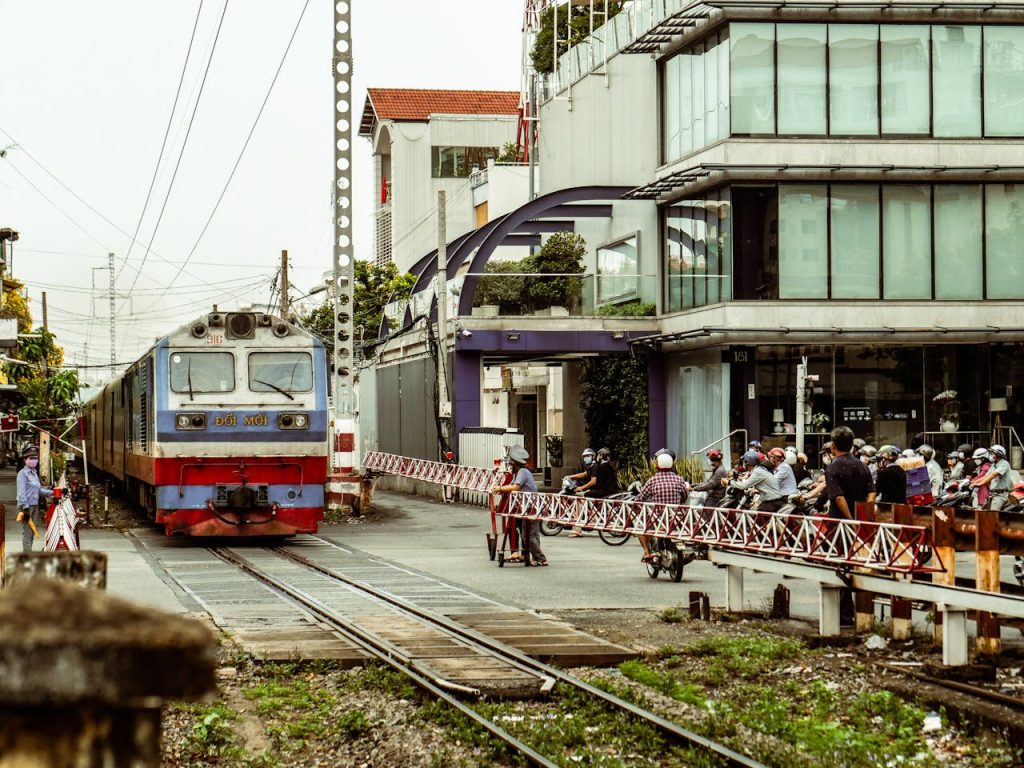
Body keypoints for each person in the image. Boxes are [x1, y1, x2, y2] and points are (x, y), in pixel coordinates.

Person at [491, 445, 547, 565]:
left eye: (511, 465)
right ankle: (533, 558)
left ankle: (541, 559)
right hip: (527, 508)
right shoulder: (519, 474)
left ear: (516, 464)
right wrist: (501, 488)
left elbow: (515, 488)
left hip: (532, 507)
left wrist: (500, 488)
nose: (510, 467)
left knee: (530, 537)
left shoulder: (523, 472)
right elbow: (511, 485)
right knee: (528, 535)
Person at [636, 449, 689, 563]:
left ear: (657, 465)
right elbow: (685, 496)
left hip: (658, 517)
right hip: (677, 516)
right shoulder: (679, 479)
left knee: (639, 528)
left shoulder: (653, 480)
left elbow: (641, 497)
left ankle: (647, 552)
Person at [825, 426, 876, 520]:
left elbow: (838, 498)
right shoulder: (862, 465)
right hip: (860, 518)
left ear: (833, 445)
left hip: (840, 522)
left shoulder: (832, 467)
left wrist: (851, 521)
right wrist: (866, 515)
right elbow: (872, 493)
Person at [16, 445, 53, 553]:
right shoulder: (22, 474)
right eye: (31, 458)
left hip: (34, 506)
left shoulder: (34, 474)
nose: (34, 460)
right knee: (27, 532)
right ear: (25, 460)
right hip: (26, 507)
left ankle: (29, 554)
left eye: (35, 458)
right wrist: (25, 508)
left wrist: (53, 493)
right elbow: (21, 492)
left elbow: (39, 490)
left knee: (32, 531)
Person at [563, 448, 596, 537]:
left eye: (588, 456)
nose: (586, 458)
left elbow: (593, 482)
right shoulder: (591, 467)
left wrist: (581, 487)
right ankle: (592, 519)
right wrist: (570, 476)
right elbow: (584, 474)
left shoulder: (595, 466)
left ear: (593, 456)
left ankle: (578, 530)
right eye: (585, 457)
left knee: (578, 502)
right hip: (592, 491)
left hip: (594, 491)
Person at [971, 444, 1013, 511]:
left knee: (992, 515)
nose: (990, 455)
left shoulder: (1004, 464)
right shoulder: (993, 465)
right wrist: (974, 483)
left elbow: (993, 475)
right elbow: (986, 476)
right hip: (992, 494)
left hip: (1001, 495)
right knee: (984, 512)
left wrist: (980, 484)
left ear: (998, 454)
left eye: (992, 453)